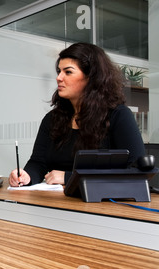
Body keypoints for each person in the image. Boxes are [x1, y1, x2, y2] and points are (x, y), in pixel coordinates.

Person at [9, 42, 145, 187]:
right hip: (58, 202)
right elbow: (38, 162)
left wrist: (69, 178)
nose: (59, 78)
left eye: (68, 72)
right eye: (59, 72)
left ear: (91, 77)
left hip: (103, 205)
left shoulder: (119, 115)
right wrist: (26, 176)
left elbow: (136, 171)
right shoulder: (52, 119)